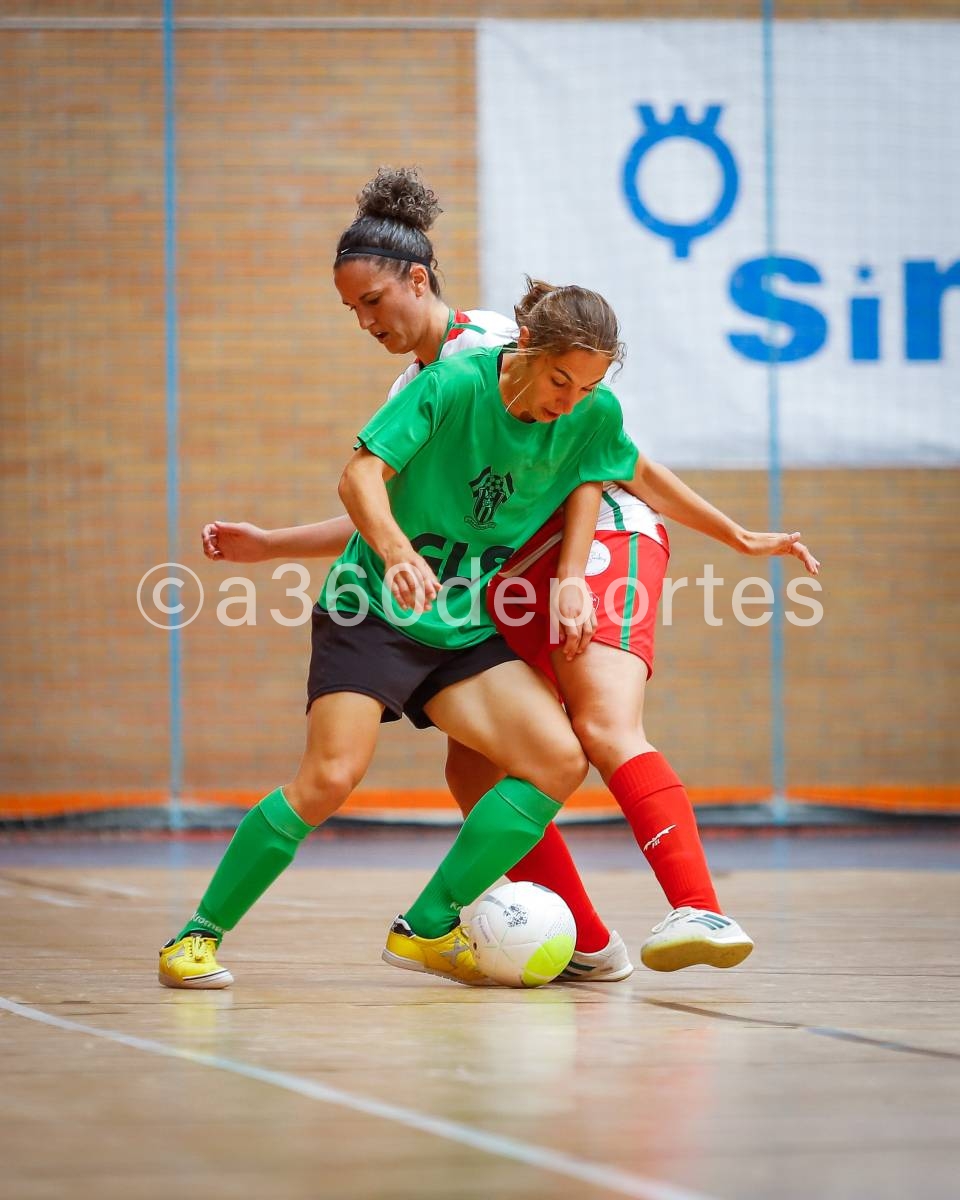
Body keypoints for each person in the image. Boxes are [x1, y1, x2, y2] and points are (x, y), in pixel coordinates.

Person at [204, 167, 819, 978]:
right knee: (475, 768)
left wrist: (582, 572)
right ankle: (585, 943)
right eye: (352, 309)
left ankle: (697, 906)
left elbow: (595, 465)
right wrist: (272, 546)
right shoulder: (422, 387)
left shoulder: (497, 350)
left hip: (597, 538)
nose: (366, 321)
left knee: (600, 727)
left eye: (374, 301)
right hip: (503, 571)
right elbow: (408, 521)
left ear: (417, 280)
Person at [160, 275, 639, 988]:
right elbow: (360, 479)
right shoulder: (450, 385)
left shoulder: (589, 416)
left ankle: (428, 925)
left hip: (461, 623)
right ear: (527, 345)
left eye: (588, 387)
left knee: (557, 759)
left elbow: (591, 483)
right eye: (561, 381)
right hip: (371, 610)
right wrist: (395, 553)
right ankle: (196, 937)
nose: (570, 402)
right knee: (329, 779)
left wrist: (572, 578)